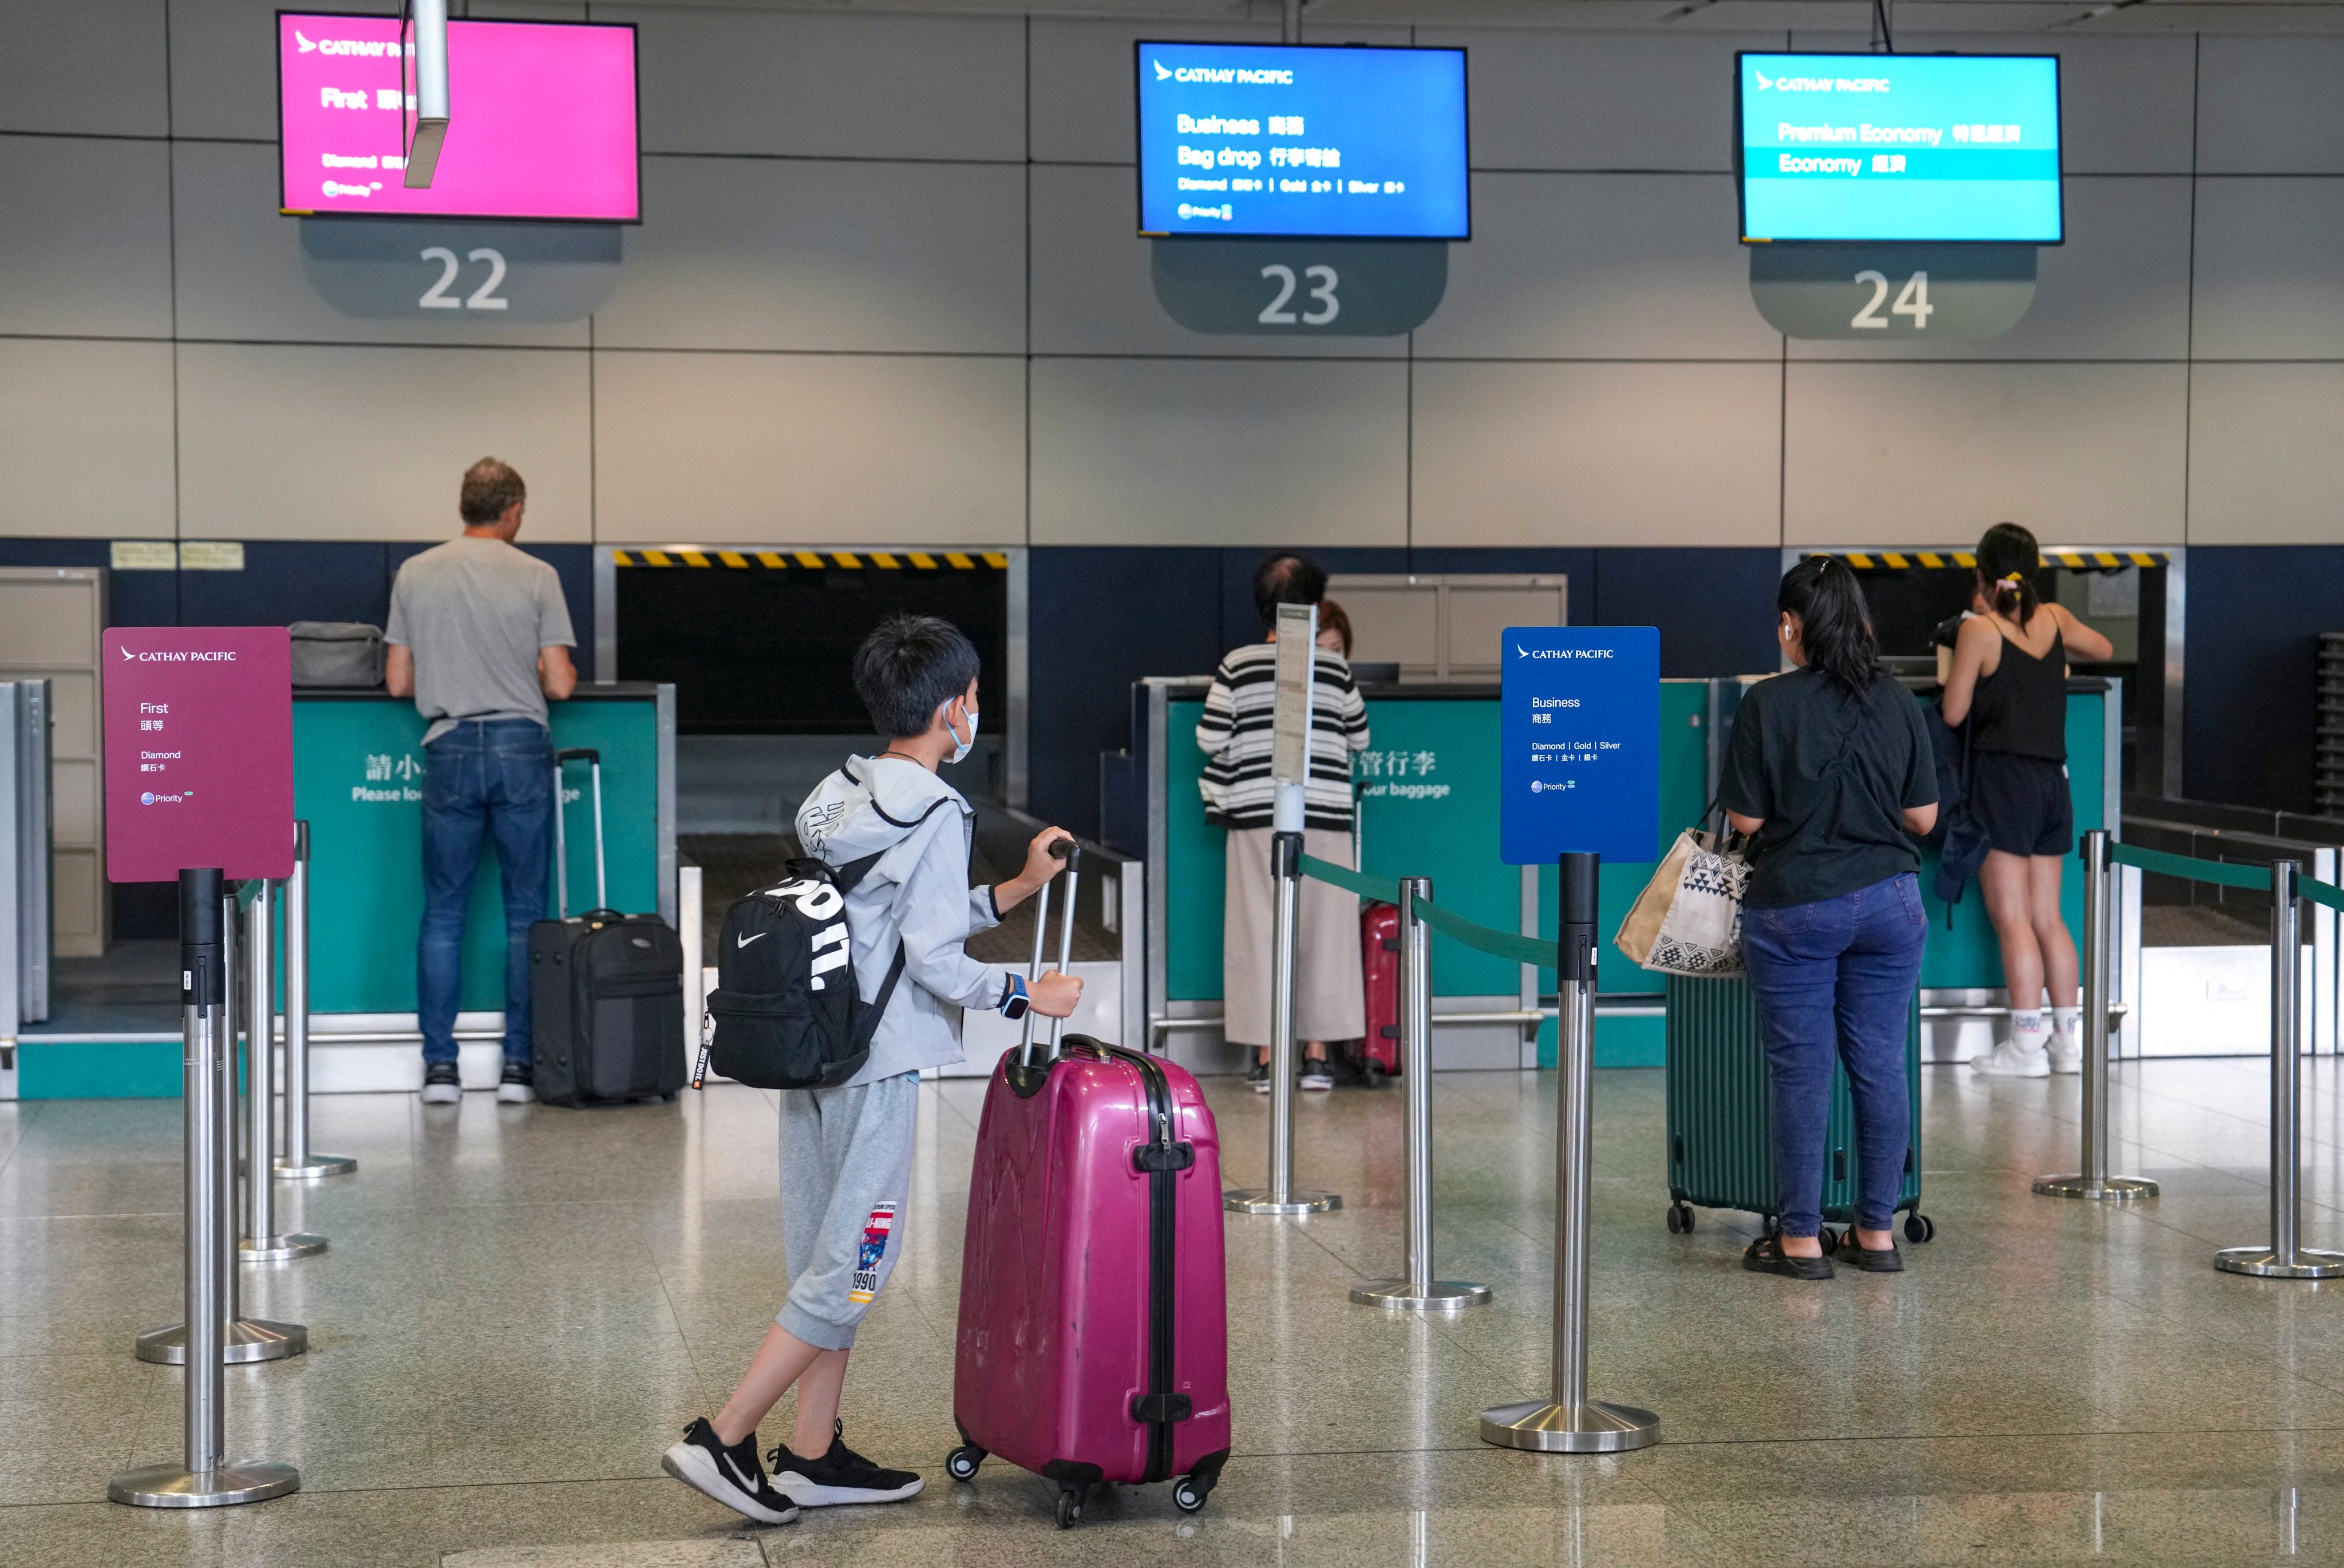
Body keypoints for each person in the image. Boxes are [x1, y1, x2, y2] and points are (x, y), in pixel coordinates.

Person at [663, 614, 1081, 1526]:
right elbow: (930, 961)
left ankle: (812, 1456)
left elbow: (889, 921)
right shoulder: (937, 806)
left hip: (815, 1047)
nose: (973, 714)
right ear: (950, 708)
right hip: (878, 1060)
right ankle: (725, 1437)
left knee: (826, 1255)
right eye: (971, 700)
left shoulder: (842, 789)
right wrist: (1023, 995)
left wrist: (1012, 889)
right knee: (856, 1265)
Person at [1720, 557, 1939, 1280]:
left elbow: (1746, 818)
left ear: (1791, 625)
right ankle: (1876, 1233)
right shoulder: (1898, 700)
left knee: (1803, 1073)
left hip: (1796, 907)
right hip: (1890, 903)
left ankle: (1803, 1240)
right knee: (1879, 1063)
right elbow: (1924, 816)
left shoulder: (1767, 704)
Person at [385, 457, 577, 1106]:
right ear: (513, 509)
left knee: (443, 913)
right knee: (526, 916)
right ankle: (519, 1067)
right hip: (522, 747)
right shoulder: (538, 575)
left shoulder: (415, 573)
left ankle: (440, 1067)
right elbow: (559, 682)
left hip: (450, 747)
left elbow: (398, 681)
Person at [1940, 522, 2114, 1077]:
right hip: (2052, 783)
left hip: (2002, 783)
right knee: (2048, 916)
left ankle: (2025, 1047)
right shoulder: (2056, 618)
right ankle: (2068, 1044)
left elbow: (1953, 712)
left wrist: (1976, 620)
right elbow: (2104, 648)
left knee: (2012, 918)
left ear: (1981, 575)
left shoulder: (1981, 631)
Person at [1198, 554, 1370, 1093]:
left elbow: (1208, 738)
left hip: (1255, 814)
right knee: (1327, 933)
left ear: (1261, 606)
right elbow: (1360, 738)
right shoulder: (1334, 667)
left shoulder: (1237, 663)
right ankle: (1317, 1057)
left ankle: (1269, 1057)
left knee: (1257, 932)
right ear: (1318, 608)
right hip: (1326, 814)